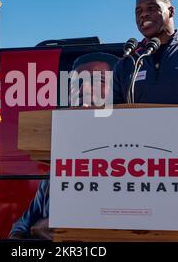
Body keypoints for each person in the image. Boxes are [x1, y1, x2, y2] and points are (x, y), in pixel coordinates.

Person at [9, 53, 119, 240]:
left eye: (97, 80)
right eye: (76, 82)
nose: (84, 87)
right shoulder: (53, 176)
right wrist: (30, 232)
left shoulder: (128, 162)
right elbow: (19, 228)